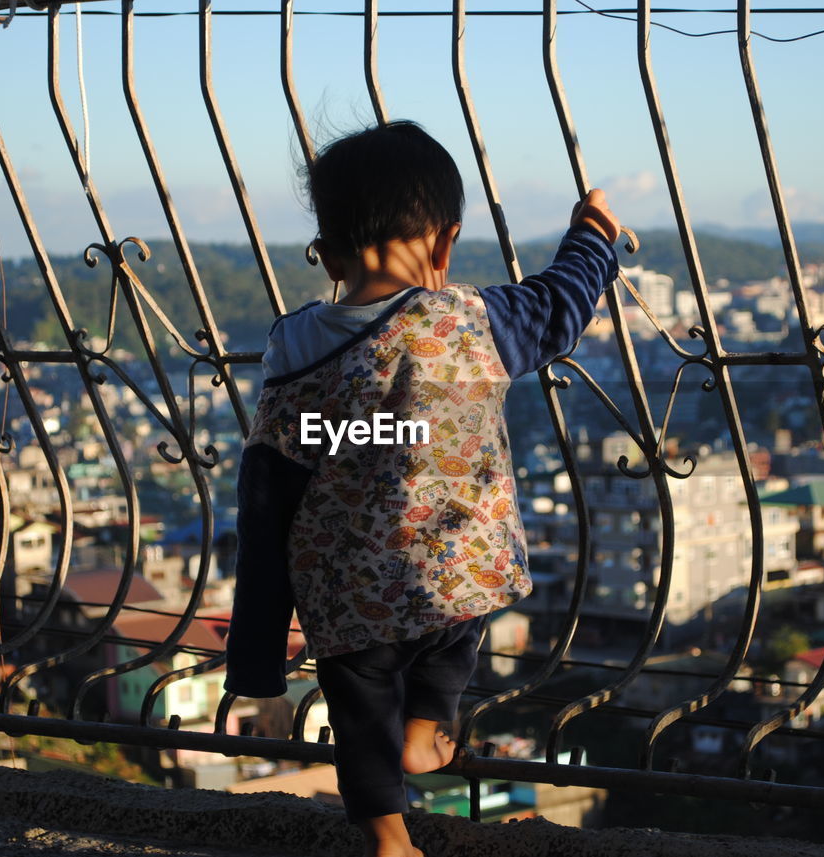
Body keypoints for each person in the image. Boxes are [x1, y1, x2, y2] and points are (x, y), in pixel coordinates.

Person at [224, 120, 620, 857]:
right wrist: (592, 232)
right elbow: (563, 302)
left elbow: (266, 494)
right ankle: (428, 725)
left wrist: (256, 653)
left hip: (348, 590)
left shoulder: (291, 347)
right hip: (452, 573)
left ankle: (387, 837)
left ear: (329, 252)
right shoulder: (475, 321)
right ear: (444, 244)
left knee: (356, 704)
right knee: (454, 634)